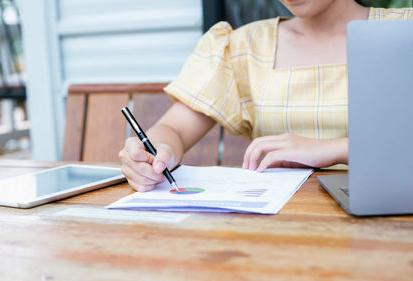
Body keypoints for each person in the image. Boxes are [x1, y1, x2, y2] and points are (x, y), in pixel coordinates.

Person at [118, 0, 413, 192]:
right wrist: (156, 151)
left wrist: (336, 149)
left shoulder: (404, 30)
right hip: (276, 231)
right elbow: (175, 129)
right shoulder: (245, 47)